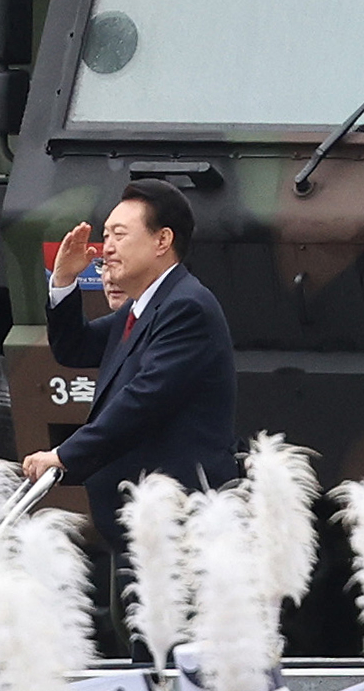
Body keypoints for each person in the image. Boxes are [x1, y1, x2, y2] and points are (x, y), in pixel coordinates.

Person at [24, 184, 238, 541]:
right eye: (105, 235)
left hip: (177, 525)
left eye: (120, 235)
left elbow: (143, 399)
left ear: (162, 241)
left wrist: (64, 455)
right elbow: (74, 349)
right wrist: (63, 280)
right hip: (142, 525)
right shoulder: (144, 308)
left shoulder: (186, 308)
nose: (106, 248)